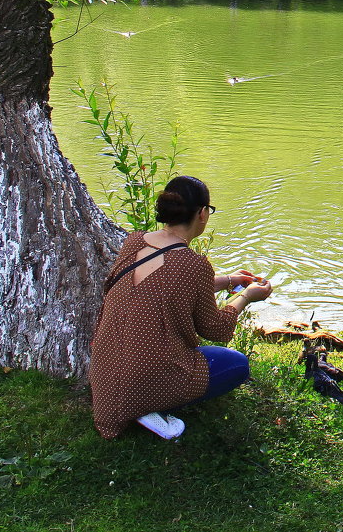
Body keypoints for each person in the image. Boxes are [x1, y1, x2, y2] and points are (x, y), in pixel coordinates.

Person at [88, 176, 273, 440]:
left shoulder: (135, 242)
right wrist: (247, 297)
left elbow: (165, 288)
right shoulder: (193, 264)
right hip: (143, 378)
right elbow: (217, 329)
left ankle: (138, 402)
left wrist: (230, 281)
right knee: (237, 365)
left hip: (106, 374)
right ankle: (148, 405)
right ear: (201, 213)